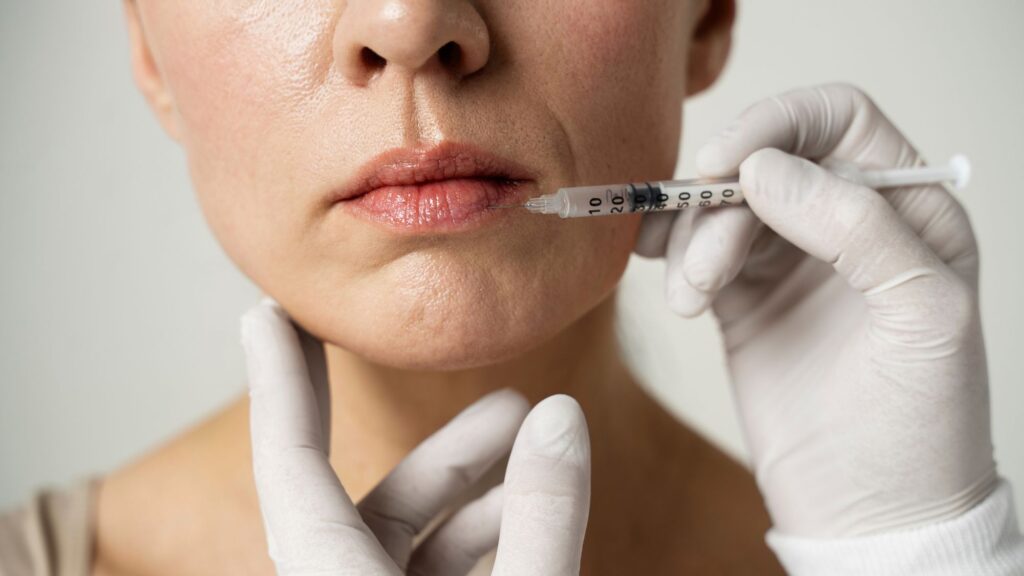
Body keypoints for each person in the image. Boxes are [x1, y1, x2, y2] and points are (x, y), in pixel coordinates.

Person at [2, 1, 1023, 575]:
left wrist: (922, 555)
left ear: (706, 14)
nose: (412, 22)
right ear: (150, 53)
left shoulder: (884, 545)